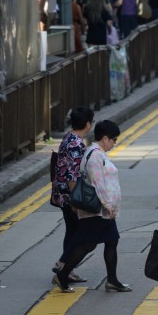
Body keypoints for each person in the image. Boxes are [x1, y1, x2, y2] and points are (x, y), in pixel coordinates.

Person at [53, 120, 130, 293]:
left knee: (110, 240)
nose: (115, 143)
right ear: (105, 138)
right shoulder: (94, 156)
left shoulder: (97, 153)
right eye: (114, 139)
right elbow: (98, 184)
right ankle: (63, 274)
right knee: (88, 244)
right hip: (98, 210)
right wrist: (109, 205)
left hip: (101, 209)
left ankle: (112, 280)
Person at [50, 106, 95, 285]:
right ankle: (62, 265)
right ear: (87, 124)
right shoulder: (76, 144)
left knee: (72, 230)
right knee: (81, 233)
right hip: (70, 195)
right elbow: (72, 175)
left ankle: (68, 269)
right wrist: (77, 201)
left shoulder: (69, 137)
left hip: (61, 193)